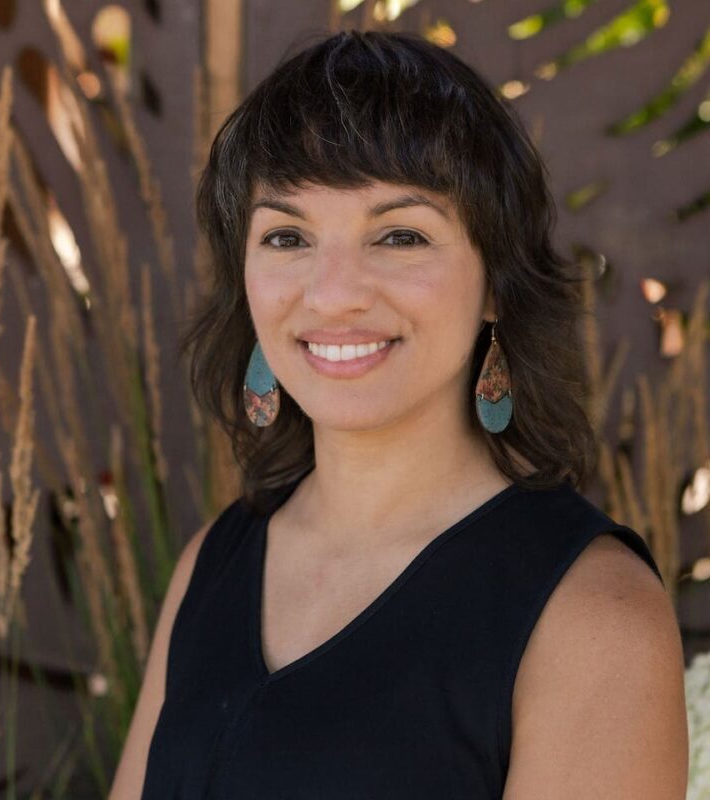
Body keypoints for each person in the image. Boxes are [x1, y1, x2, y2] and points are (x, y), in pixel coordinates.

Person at [110, 29, 688, 799]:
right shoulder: (212, 563)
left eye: (400, 235)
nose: (333, 292)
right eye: (287, 235)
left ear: (495, 285)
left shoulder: (593, 617)